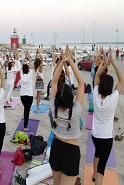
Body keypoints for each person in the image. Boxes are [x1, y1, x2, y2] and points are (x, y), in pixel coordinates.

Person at [49, 45, 84, 185]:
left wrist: (62, 62)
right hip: (71, 152)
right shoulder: (75, 111)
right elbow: (81, 83)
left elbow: (55, 81)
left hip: (56, 148)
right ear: (71, 99)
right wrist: (70, 62)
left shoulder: (53, 107)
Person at [91, 49, 124, 185]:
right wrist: (113, 63)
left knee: (97, 153)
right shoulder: (113, 98)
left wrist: (105, 63)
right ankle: (96, 177)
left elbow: (97, 75)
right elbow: (121, 80)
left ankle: (93, 174)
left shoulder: (96, 93)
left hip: (95, 135)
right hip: (106, 138)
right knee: (102, 168)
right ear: (110, 88)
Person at [20, 50, 33, 132]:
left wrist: (25, 57)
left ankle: (25, 122)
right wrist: (28, 57)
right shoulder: (30, 74)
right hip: (29, 95)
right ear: (27, 69)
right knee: (27, 110)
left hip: (22, 96)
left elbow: (22, 66)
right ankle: (25, 126)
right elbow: (31, 66)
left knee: (26, 109)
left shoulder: (22, 74)